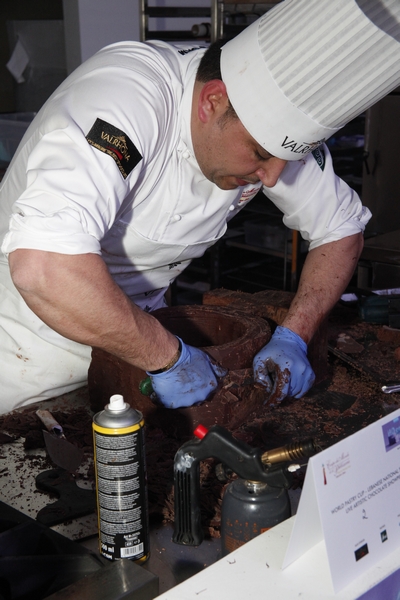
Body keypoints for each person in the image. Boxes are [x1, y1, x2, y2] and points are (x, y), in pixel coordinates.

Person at [0, 0, 399, 415]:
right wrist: (167, 355)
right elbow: (43, 267)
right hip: (25, 357)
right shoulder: (127, 101)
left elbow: (342, 227)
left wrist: (295, 335)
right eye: (260, 153)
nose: (272, 177)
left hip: (135, 349)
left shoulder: (265, 140)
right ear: (212, 102)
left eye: (287, 159)